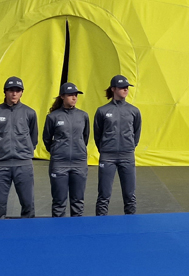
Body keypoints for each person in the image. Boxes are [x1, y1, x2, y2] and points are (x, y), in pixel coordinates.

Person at [0, 77, 39, 220]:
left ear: (22, 93)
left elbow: (33, 138)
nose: (14, 94)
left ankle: (26, 236)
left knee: (28, 204)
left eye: (17, 90)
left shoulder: (30, 113)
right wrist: (1, 150)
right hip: (1, 165)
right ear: (5, 92)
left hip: (24, 164)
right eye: (11, 90)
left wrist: (25, 153)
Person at [94, 75, 142, 216]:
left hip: (127, 156)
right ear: (113, 89)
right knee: (104, 194)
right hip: (107, 156)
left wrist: (130, 147)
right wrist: (105, 149)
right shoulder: (102, 111)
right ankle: (101, 225)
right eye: (122, 87)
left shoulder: (134, 111)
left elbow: (136, 132)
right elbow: (98, 134)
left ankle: (131, 224)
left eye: (127, 87)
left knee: (130, 195)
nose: (125, 89)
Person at [43, 82, 90, 217]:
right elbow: (47, 138)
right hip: (59, 163)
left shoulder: (83, 116)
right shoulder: (53, 117)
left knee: (78, 202)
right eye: (70, 95)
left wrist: (78, 149)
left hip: (79, 163)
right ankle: (59, 234)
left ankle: (76, 234)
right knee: (59, 202)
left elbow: (85, 137)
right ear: (62, 96)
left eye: (75, 95)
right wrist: (58, 151)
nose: (74, 98)